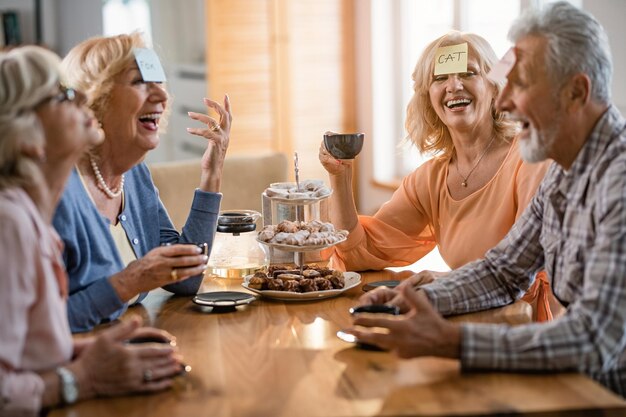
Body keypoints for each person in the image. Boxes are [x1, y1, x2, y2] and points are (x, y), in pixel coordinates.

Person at [349, 2, 626, 397]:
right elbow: (504, 272)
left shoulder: (619, 180)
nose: (504, 100)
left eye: (521, 83)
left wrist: (450, 342)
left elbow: (593, 338)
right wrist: (410, 299)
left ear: (575, 92)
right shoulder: (567, 170)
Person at [0, 46, 185, 416]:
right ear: (29, 138)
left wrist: (83, 353)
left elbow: (27, 349)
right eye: (63, 95)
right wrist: (83, 378)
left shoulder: (32, 221)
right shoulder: (10, 225)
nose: (84, 96)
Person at [319, 31, 555, 320]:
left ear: (495, 88)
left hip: (528, 330)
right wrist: (340, 178)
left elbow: (524, 277)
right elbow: (358, 255)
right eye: (440, 78)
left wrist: (445, 281)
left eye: (468, 73)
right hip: (466, 321)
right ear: (428, 98)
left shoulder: (531, 158)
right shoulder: (430, 178)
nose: (454, 86)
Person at [53, 33, 232, 332]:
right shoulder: (57, 192)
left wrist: (212, 171)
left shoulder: (134, 176)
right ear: (95, 97)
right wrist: (129, 281)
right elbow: (43, 327)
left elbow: (185, 278)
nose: (162, 96)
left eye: (159, 82)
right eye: (139, 82)